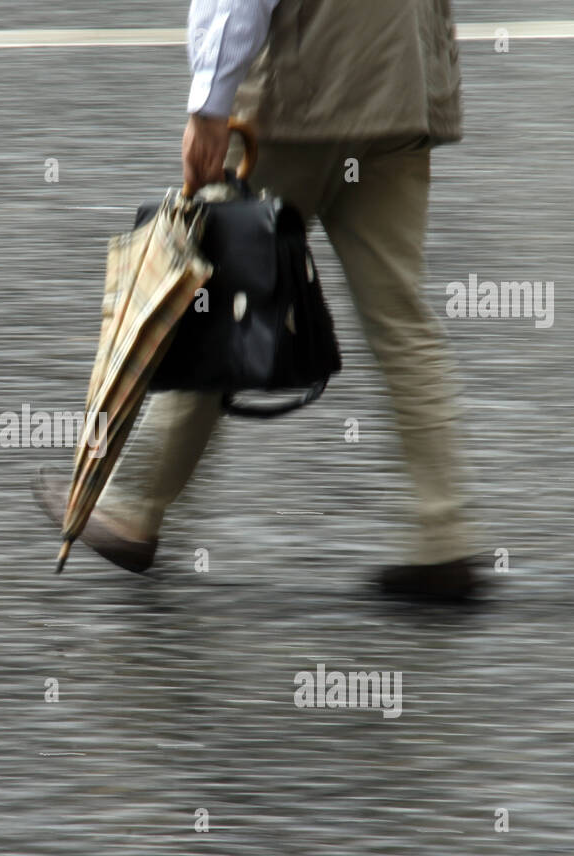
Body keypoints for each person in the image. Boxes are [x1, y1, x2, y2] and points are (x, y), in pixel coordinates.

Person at [36, 0, 480, 601]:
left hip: (297, 103)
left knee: (215, 301)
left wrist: (209, 104)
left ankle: (135, 508)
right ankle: (444, 533)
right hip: (397, 96)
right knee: (402, 320)